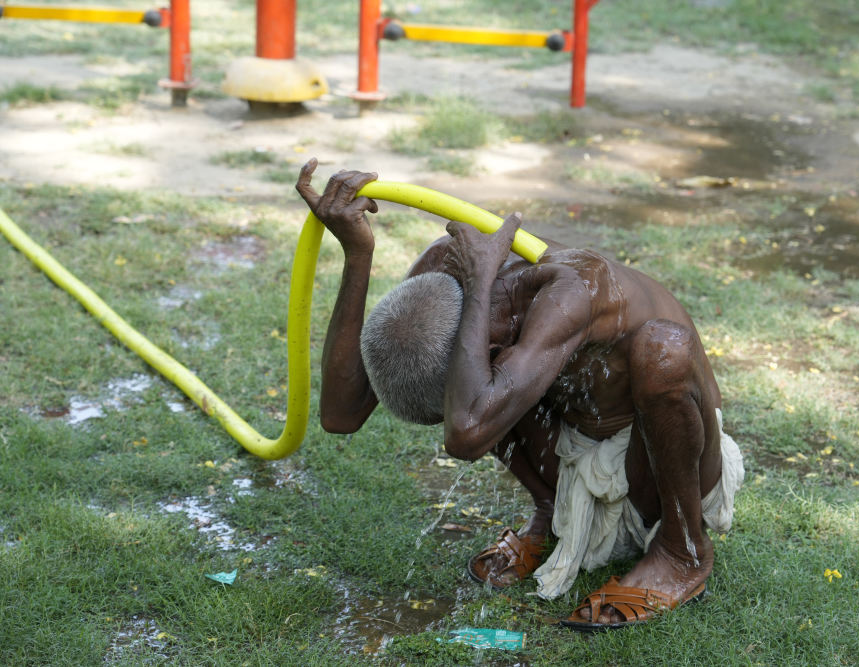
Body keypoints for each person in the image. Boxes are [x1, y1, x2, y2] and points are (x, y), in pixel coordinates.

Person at [296, 160, 744, 631]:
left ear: (489, 351)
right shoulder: (442, 269)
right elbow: (341, 414)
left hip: (665, 462)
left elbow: (467, 432)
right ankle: (552, 512)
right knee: (487, 393)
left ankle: (682, 551)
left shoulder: (569, 290)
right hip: (574, 443)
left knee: (663, 351)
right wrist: (358, 252)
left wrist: (478, 294)